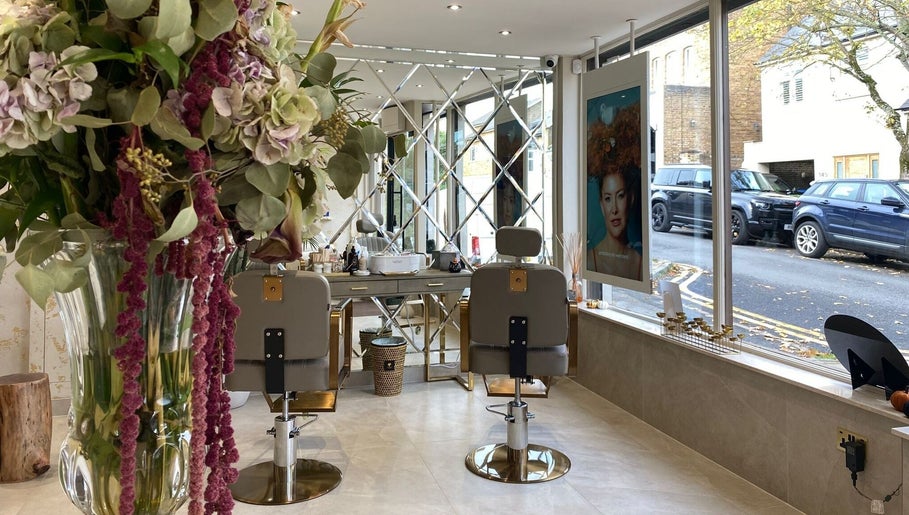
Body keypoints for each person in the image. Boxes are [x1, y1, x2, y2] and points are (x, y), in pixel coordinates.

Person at [588, 165, 642, 280]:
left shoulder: (639, 263)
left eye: (620, 196)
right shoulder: (589, 260)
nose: (614, 209)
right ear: (602, 205)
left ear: (631, 199)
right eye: (608, 198)